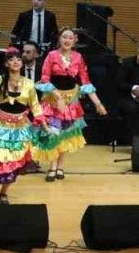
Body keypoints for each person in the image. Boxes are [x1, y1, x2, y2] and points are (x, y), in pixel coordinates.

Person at [0, 47, 48, 204]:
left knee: (15, 161)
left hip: (20, 128)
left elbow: (35, 106)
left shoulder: (29, 84)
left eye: (18, 59)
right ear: (6, 63)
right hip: (1, 126)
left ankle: (4, 193)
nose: (16, 62)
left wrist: (46, 127)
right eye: (12, 59)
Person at [35, 27, 107, 181]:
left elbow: (85, 82)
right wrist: (57, 97)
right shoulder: (52, 55)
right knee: (53, 133)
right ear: (59, 39)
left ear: (75, 40)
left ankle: (60, 166)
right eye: (64, 37)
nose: (67, 40)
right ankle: (52, 166)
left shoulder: (78, 57)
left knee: (65, 134)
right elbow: (45, 79)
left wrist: (98, 103)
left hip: (70, 100)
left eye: (70, 38)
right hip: (53, 98)